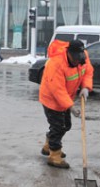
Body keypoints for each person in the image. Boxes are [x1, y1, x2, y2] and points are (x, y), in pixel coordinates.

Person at [39, 39, 93, 168]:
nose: (76, 62)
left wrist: (86, 87)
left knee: (66, 126)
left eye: (79, 59)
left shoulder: (82, 57)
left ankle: (49, 145)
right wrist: (71, 106)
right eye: (74, 60)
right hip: (51, 99)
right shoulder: (56, 64)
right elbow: (58, 90)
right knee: (58, 127)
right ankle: (54, 156)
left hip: (66, 98)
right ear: (69, 53)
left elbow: (88, 72)